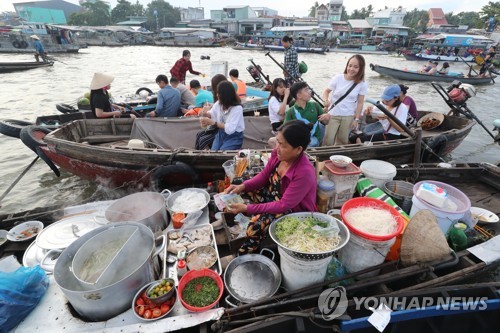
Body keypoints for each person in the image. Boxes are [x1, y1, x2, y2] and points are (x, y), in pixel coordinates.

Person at [224, 120, 317, 254]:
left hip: (292, 211)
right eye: (278, 142)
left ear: (298, 149)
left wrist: (247, 208)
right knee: (241, 193)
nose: (277, 148)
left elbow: (283, 205)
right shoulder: (278, 155)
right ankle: (250, 212)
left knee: (254, 227)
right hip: (274, 196)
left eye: (282, 145)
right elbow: (263, 177)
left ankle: (245, 253)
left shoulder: (304, 172)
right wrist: (242, 187)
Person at [319, 54, 368, 146]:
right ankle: (324, 159)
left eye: (355, 67)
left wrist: (356, 119)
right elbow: (326, 91)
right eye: (350, 65)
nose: (351, 69)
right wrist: (326, 100)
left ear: (361, 69)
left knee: (342, 141)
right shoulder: (338, 78)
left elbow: (360, 103)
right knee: (328, 140)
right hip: (333, 114)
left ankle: (338, 159)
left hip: (348, 116)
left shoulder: (362, 84)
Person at [200, 81, 245, 151]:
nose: (217, 95)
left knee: (222, 152)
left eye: (219, 93)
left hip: (234, 136)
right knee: (213, 152)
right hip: (221, 134)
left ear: (225, 95)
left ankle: (236, 148)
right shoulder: (219, 104)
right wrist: (205, 114)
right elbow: (212, 113)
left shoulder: (237, 108)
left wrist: (213, 123)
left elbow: (230, 129)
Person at [284, 81, 324, 147]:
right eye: (306, 90)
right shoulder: (290, 112)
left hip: (314, 138)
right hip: (298, 140)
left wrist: (327, 118)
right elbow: (285, 129)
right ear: (299, 95)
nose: (309, 91)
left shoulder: (315, 105)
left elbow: (325, 122)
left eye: (309, 89)